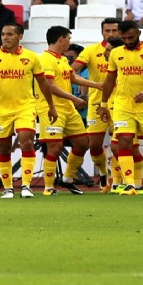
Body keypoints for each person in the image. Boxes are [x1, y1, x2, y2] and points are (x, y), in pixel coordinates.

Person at [0, 23, 58, 199]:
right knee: (3, 148)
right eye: (3, 34)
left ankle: (26, 185)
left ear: (20, 36)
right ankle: (8, 187)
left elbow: (43, 83)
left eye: (10, 34)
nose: (5, 37)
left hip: (25, 107)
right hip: (0, 109)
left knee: (26, 141)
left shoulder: (32, 57)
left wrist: (51, 106)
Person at [96, 20, 143, 196]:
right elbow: (110, 80)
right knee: (124, 142)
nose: (128, 40)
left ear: (139, 34)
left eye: (131, 37)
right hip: (123, 105)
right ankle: (130, 185)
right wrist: (104, 104)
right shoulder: (116, 53)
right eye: (124, 38)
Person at [36, 26, 103, 196]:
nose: (69, 42)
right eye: (68, 39)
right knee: (55, 146)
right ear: (60, 39)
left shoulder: (63, 59)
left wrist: (96, 85)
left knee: (82, 143)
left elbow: (72, 77)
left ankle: (67, 178)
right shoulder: (46, 60)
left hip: (68, 109)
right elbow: (49, 86)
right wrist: (73, 98)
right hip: (51, 108)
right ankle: (49, 187)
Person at [71, 18, 121, 192]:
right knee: (94, 145)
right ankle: (103, 173)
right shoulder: (91, 51)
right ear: (102, 32)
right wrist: (82, 83)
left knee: (119, 144)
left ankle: (118, 180)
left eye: (114, 31)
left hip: (121, 103)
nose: (111, 34)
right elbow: (72, 70)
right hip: (96, 103)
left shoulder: (126, 53)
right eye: (107, 31)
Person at [64, 43, 89, 125]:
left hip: (85, 117)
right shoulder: (63, 72)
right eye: (65, 57)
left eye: (70, 57)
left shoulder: (87, 72)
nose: (68, 60)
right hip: (68, 116)